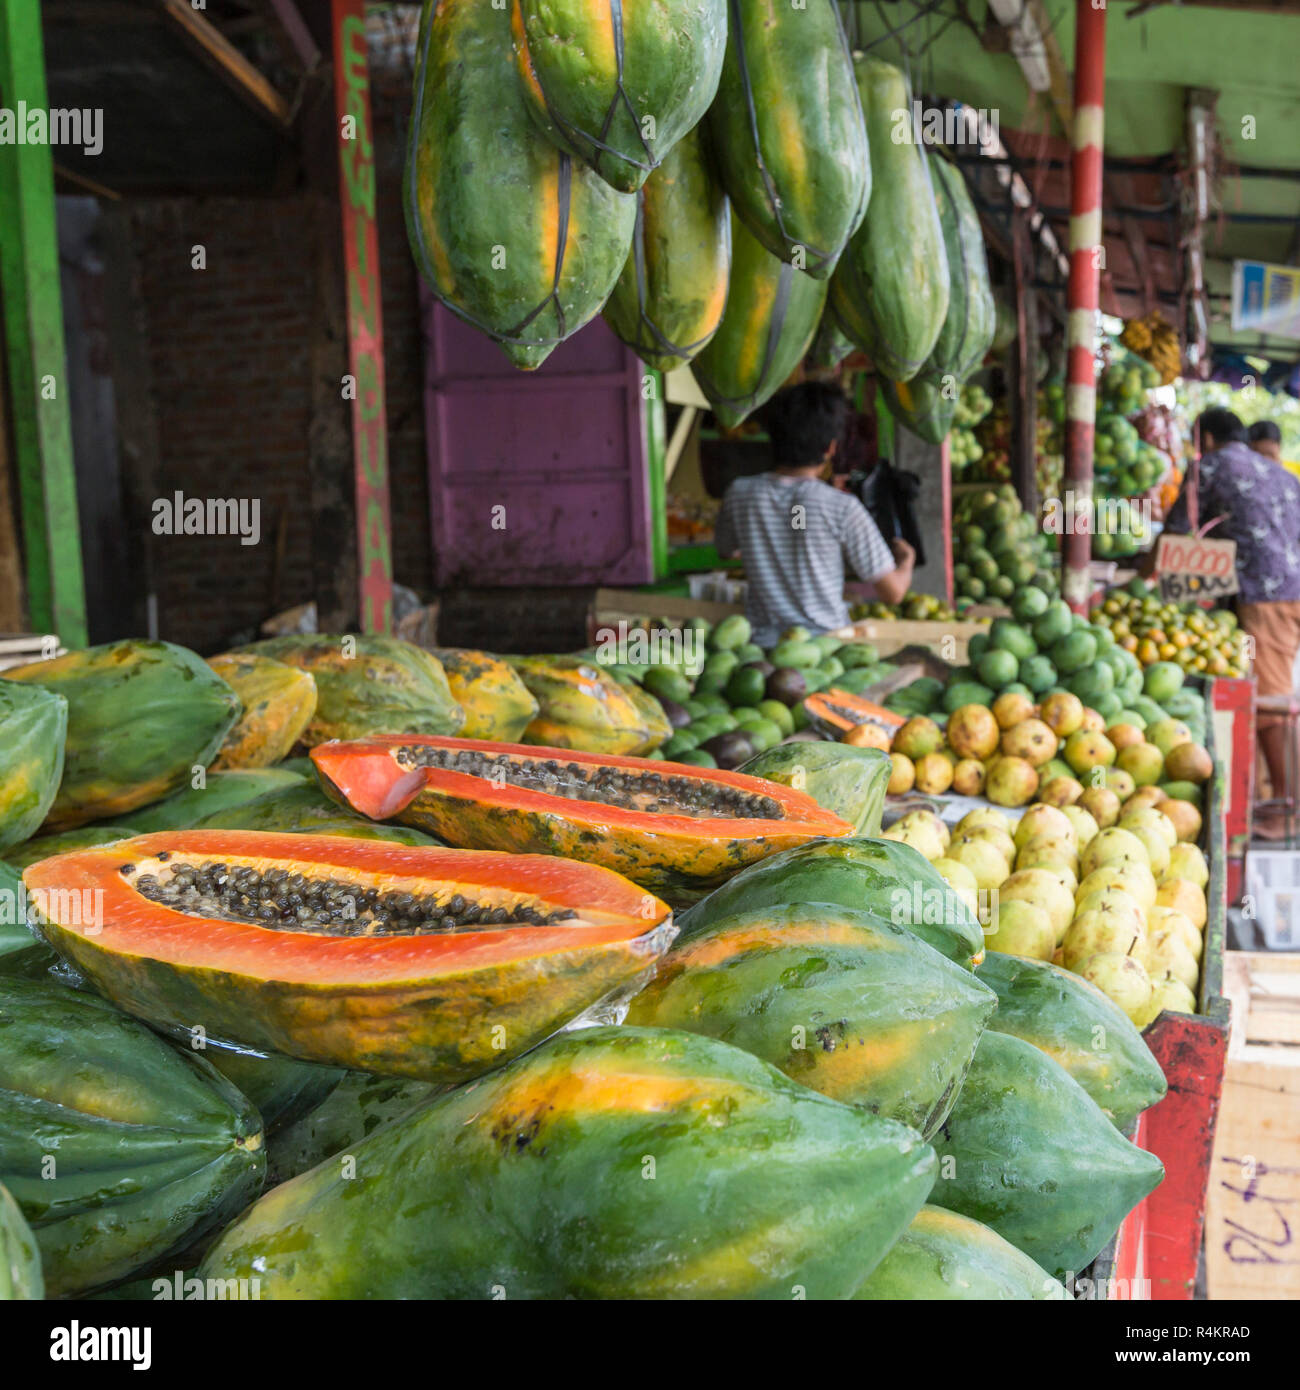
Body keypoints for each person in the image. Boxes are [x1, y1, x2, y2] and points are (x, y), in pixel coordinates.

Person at [1163, 407, 1300, 832]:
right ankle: (1261, 798)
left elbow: (1174, 534)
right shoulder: (1274, 470)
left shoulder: (1210, 465)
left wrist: (1145, 569)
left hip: (1266, 595)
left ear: (1204, 438)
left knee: (1272, 704)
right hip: (1287, 590)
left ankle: (1287, 813)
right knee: (1260, 692)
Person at [713, 381, 915, 647]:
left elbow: (726, 551)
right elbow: (893, 593)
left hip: (762, 651)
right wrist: (906, 561)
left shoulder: (740, 493)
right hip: (825, 651)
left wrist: (766, 544)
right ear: (830, 448)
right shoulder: (841, 507)